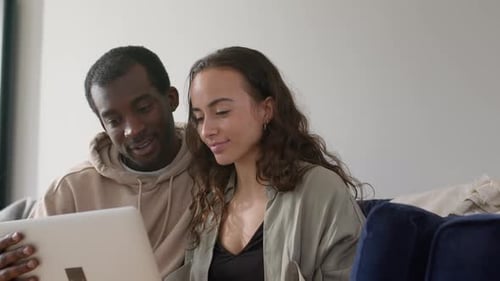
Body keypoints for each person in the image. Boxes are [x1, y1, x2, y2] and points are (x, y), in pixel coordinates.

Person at [167, 46, 366, 281]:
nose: (206, 130)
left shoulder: (319, 189)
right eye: (199, 118)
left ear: (266, 110)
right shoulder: (211, 202)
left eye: (221, 112)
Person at [0, 46, 194, 280]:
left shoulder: (216, 165)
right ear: (103, 125)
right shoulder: (71, 189)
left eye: (144, 108)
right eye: (114, 120)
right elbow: (29, 267)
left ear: (171, 99)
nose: (133, 130)